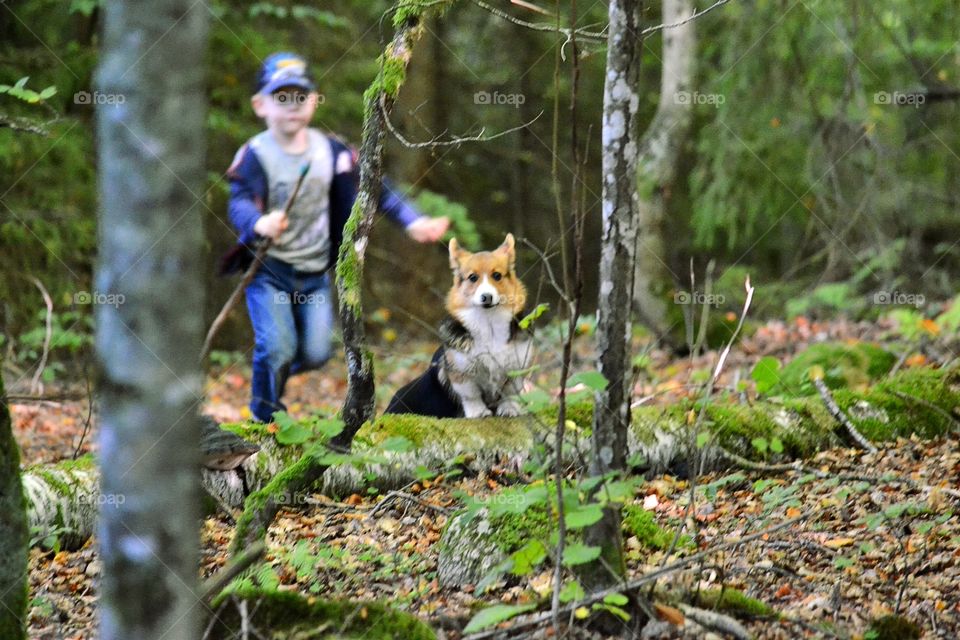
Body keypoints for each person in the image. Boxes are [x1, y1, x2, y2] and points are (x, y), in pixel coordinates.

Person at [221, 52, 449, 423]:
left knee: (314, 354)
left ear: (313, 101)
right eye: (281, 97)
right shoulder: (255, 154)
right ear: (260, 104)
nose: (292, 105)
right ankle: (263, 417)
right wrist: (258, 223)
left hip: (313, 273)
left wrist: (412, 220)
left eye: (300, 97)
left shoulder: (332, 151)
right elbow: (240, 202)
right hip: (268, 270)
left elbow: (376, 188)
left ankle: (268, 377)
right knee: (277, 346)